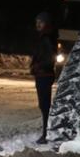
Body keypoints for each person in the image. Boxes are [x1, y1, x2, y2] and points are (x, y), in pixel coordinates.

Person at [31, 11, 57, 144]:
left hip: (44, 75)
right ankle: (46, 132)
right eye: (37, 22)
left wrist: (38, 66)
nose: (37, 24)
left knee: (45, 105)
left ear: (46, 23)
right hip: (42, 74)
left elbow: (50, 58)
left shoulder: (46, 38)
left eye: (40, 22)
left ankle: (47, 134)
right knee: (43, 105)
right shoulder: (43, 37)